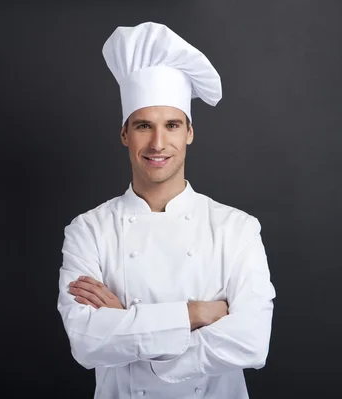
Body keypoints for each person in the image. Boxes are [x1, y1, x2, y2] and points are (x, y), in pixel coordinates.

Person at [56, 21, 276, 399]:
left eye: (171, 125)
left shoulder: (236, 228)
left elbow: (252, 343)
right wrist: (196, 314)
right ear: (125, 134)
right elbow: (86, 343)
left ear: (188, 132)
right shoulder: (88, 230)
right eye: (144, 126)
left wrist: (130, 331)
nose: (158, 143)